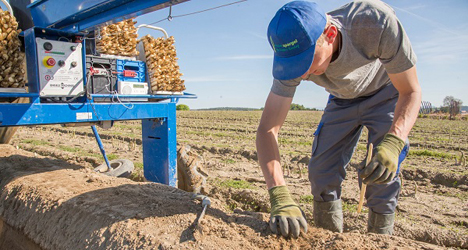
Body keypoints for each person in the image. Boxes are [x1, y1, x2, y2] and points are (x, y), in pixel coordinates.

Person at [256, 0, 421, 238]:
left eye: (306, 61)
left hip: (387, 92)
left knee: (382, 175)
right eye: (293, 65)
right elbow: (267, 129)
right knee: (322, 172)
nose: (300, 74)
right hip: (341, 99)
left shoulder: (375, 21)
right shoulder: (291, 61)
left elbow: (411, 91)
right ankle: (329, 240)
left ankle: (380, 240)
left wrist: (395, 141)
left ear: (330, 34)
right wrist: (279, 194)